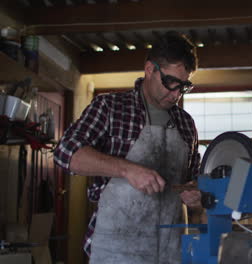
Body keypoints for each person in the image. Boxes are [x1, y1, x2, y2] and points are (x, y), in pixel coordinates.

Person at [54, 31, 202, 264]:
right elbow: (66, 153)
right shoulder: (110, 108)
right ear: (149, 69)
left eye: (183, 87)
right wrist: (127, 170)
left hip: (170, 252)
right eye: (170, 83)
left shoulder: (186, 124)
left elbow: (193, 179)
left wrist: (194, 194)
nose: (176, 95)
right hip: (117, 250)